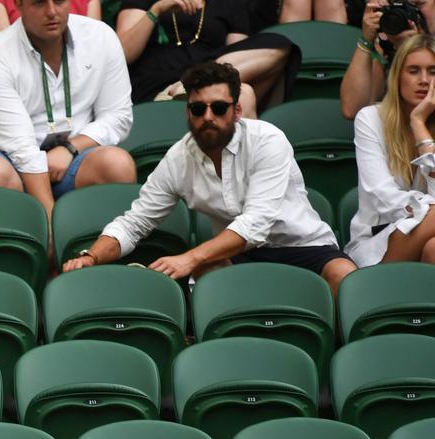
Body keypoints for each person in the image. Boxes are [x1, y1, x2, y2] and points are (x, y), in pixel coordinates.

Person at [61, 61, 358, 293]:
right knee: (207, 275)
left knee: (345, 278)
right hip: (243, 255)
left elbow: (255, 224)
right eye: (198, 108)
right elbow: (135, 222)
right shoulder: (179, 157)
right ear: (188, 112)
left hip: (303, 247)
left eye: (218, 108)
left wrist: (190, 257)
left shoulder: (268, 140)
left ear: (237, 110)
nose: (208, 117)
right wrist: (92, 256)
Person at [0, 0, 135, 217]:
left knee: (117, 164)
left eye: (60, 1)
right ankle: (31, 246)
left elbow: (118, 116)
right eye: (39, 3)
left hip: (74, 157)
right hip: (6, 158)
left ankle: (104, 247)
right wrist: (52, 227)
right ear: (19, 4)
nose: (52, 11)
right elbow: (21, 146)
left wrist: (70, 148)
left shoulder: (100, 37)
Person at [349, 34, 435, 266]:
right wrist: (427, 212)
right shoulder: (370, 118)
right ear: (397, 76)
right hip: (378, 238)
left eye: (433, 71)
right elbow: (381, 195)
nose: (424, 80)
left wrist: (419, 126)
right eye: (414, 71)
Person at [116, 0, 296, 110]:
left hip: (206, 76)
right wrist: (156, 10)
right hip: (157, 83)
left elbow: (240, 53)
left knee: (280, 45)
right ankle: (193, 86)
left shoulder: (230, 3)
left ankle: (194, 83)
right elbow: (123, 53)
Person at [342, 1, 427, 120]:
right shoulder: (379, 51)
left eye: (417, 6)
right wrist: (366, 40)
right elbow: (352, 110)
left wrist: (414, 47)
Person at [0, 0, 97, 36]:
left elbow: (92, 44)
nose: (51, 12)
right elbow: (4, 51)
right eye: (39, 2)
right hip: (22, 72)